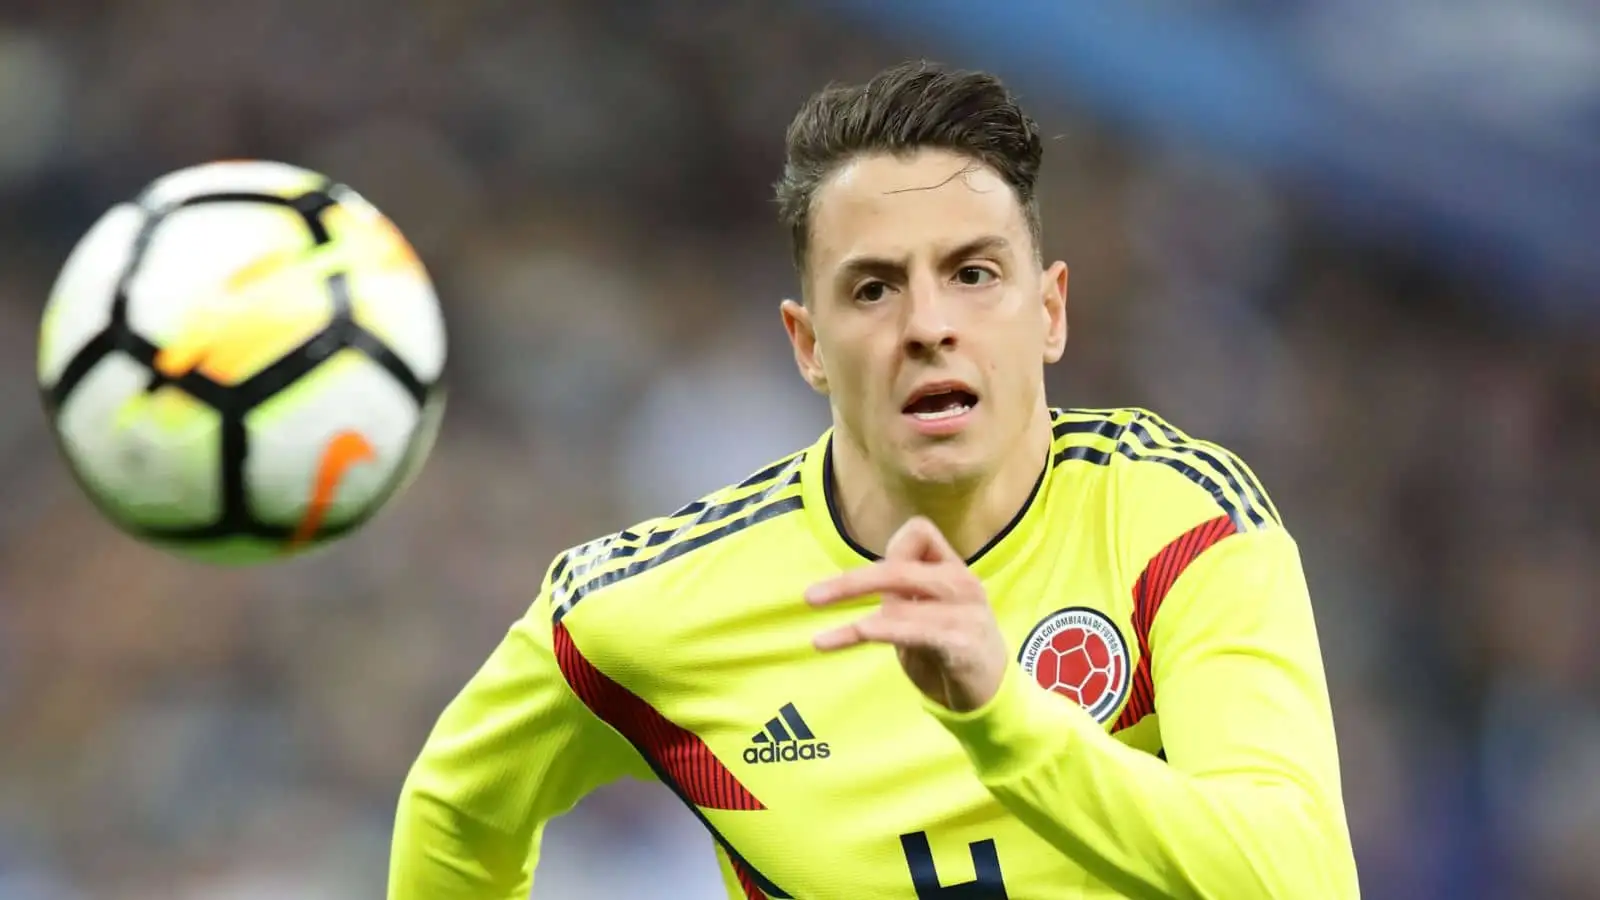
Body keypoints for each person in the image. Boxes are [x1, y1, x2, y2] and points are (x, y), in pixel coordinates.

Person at [388, 60, 1360, 899]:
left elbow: (1299, 878)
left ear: (1048, 312)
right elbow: (455, 810)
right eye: (873, 287)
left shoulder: (1174, 524)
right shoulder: (637, 616)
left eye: (973, 274)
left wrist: (1002, 718)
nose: (927, 324)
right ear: (806, 345)